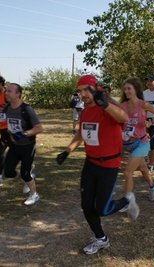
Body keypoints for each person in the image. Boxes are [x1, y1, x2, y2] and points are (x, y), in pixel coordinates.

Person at [56, 74, 138, 255]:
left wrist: (105, 105)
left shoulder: (108, 106)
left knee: (102, 209)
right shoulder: (85, 112)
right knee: (86, 205)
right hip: (90, 164)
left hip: (109, 165)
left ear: (96, 88)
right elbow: (81, 134)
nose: (82, 94)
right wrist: (67, 151)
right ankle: (101, 238)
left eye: (86, 89)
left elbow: (123, 117)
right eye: (79, 91)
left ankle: (126, 201)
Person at [119, 77, 154, 202]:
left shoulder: (143, 104)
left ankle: (128, 201)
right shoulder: (122, 106)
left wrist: (150, 122)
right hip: (128, 143)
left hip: (141, 143)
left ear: (136, 89)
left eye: (129, 88)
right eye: (125, 89)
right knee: (143, 168)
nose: (126, 91)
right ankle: (153, 186)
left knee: (127, 173)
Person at [3, 83, 43, 205]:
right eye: (6, 91)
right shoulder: (7, 108)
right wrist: (9, 137)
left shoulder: (27, 109)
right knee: (9, 172)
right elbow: (10, 126)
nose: (6, 93)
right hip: (14, 146)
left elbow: (39, 128)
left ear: (17, 94)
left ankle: (34, 194)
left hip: (27, 146)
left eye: (9, 91)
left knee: (25, 173)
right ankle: (30, 176)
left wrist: (22, 134)